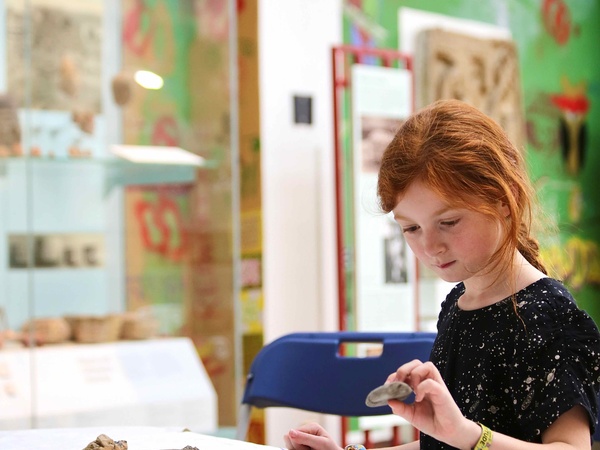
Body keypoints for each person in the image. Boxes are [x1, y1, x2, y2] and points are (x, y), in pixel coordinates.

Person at [283, 99, 600, 449]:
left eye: (448, 222)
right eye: (411, 228)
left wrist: (468, 436)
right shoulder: (458, 305)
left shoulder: (550, 317)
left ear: (504, 200)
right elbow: (443, 444)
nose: (430, 246)